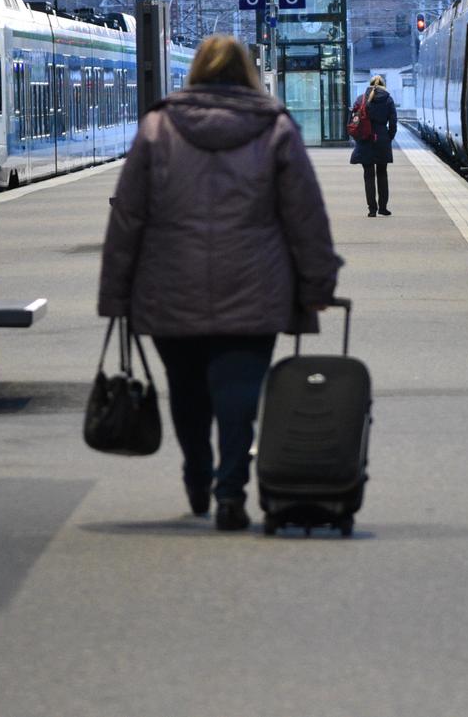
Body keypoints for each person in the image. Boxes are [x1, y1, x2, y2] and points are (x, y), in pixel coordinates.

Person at [97, 36, 342, 531]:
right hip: (255, 284)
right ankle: (231, 491)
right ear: (249, 71)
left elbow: (128, 217)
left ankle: (197, 474)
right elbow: (305, 215)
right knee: (239, 393)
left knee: (186, 391)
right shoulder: (275, 127)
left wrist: (116, 293)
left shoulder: (157, 127)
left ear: (195, 72)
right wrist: (318, 281)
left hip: (170, 285)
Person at [350, 74, 398, 217]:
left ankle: (372, 210)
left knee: (368, 175)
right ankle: (383, 207)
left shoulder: (360, 98)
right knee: (382, 174)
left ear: (369, 84)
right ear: (383, 85)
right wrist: (389, 137)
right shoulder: (388, 99)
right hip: (382, 139)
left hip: (365, 139)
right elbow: (393, 123)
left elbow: (353, 120)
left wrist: (358, 137)